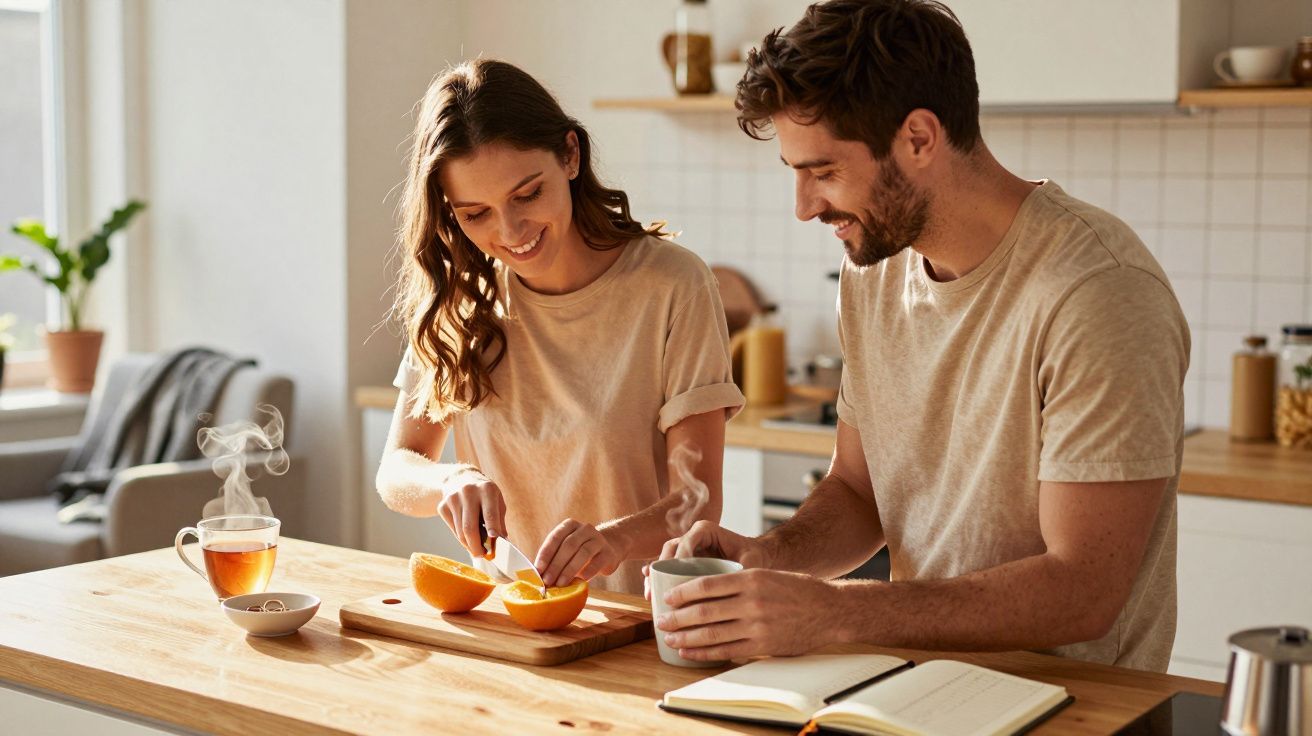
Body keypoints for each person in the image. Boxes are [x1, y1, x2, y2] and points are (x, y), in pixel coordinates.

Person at [651, 0, 1189, 672]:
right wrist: (771, 555)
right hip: (923, 689)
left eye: (822, 172)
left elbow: (1083, 589)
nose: (804, 206)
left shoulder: (1099, 293)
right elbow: (856, 489)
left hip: (1079, 708)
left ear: (919, 138)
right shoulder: (875, 270)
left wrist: (834, 611)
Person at [377, 59, 744, 594]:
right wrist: (449, 479)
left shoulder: (672, 285)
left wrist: (614, 539)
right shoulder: (460, 300)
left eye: (527, 195)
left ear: (570, 155)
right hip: (513, 619)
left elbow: (699, 500)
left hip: (636, 624)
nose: (511, 231)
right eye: (476, 213)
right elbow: (396, 470)